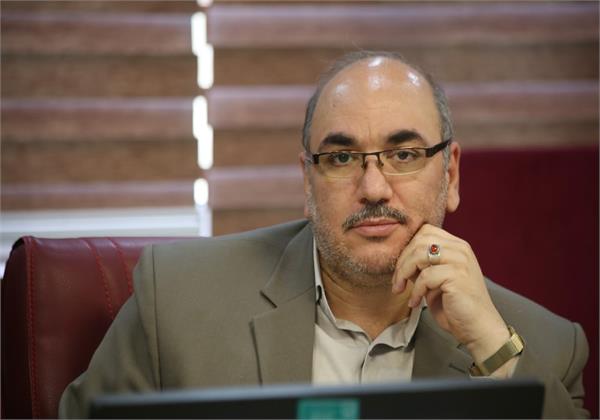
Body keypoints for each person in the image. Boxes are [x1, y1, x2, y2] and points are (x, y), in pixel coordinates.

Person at [59, 51, 589, 418]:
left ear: (449, 175)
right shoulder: (175, 300)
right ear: (307, 181)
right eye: (341, 158)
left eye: (404, 154)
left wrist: (496, 355)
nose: (374, 187)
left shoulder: (541, 349)